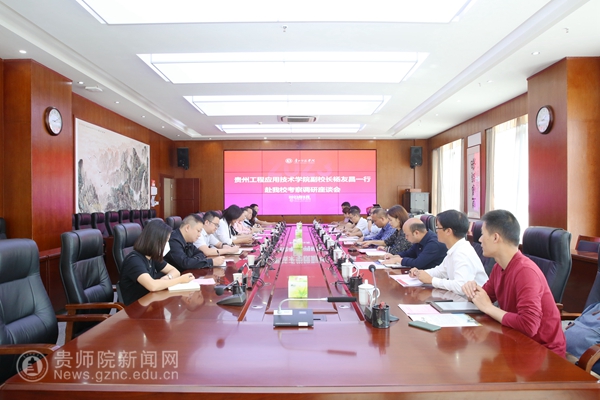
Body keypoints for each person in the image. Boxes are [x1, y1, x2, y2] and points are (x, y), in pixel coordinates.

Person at [462, 210, 566, 357]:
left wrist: (489, 308)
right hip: (515, 340)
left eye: (483, 234)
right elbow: (485, 297)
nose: (479, 239)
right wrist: (472, 292)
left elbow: (529, 325)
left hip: (543, 353)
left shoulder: (526, 272)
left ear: (495, 237)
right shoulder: (499, 267)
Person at [409, 210, 488, 295]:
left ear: (448, 231)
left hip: (470, 301)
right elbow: (441, 271)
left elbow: (461, 286)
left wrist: (432, 280)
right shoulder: (455, 249)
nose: (436, 231)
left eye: (438, 227)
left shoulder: (462, 253)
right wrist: (420, 273)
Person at [119, 220, 195, 306]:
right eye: (166, 241)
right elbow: (153, 286)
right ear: (155, 241)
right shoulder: (134, 260)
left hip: (150, 303)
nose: (167, 245)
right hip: (135, 308)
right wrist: (180, 280)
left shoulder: (152, 256)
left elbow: (175, 271)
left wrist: (167, 278)